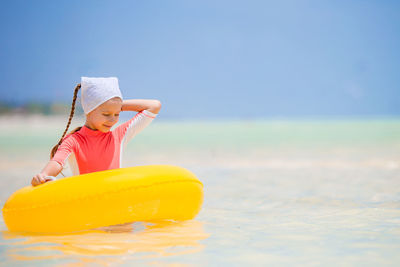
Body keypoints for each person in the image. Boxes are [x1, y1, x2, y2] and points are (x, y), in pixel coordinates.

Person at [31, 77, 161, 186]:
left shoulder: (119, 136)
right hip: (87, 205)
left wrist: (114, 105)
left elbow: (154, 106)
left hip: (114, 206)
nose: (112, 120)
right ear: (89, 110)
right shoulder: (73, 141)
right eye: (106, 114)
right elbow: (57, 162)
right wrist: (43, 176)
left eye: (117, 114)